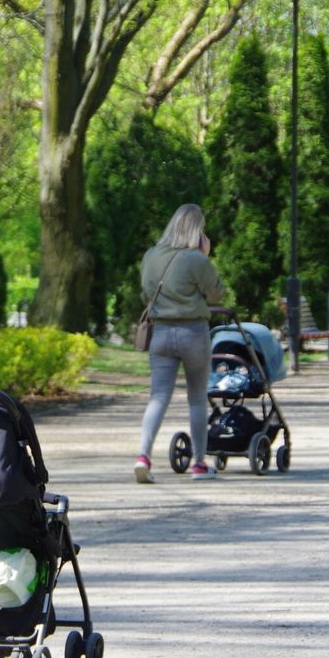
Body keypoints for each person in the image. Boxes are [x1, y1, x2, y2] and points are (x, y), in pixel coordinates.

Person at [133, 203, 227, 483]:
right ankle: (199, 464)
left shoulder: (151, 256)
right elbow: (217, 294)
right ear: (197, 230)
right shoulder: (195, 259)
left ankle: (143, 456)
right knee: (197, 398)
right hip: (193, 333)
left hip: (160, 334)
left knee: (158, 397)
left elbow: (145, 295)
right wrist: (205, 256)